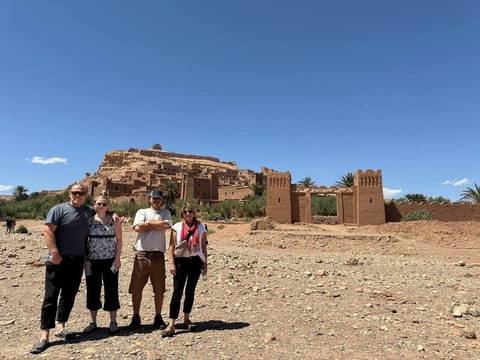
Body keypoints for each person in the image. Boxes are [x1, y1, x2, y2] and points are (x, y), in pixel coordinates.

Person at [30, 184, 94, 354]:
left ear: (86, 195)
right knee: (50, 296)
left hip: (77, 260)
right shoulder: (58, 209)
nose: (78, 195)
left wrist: (116, 216)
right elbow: (47, 230)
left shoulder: (88, 211)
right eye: (75, 193)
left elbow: (103, 213)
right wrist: (54, 252)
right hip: (58, 260)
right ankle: (44, 336)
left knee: (69, 294)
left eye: (81, 193)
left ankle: (61, 327)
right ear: (69, 193)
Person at [128, 189, 172, 331]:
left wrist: (148, 224)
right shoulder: (142, 211)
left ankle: (158, 316)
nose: (156, 201)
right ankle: (136, 316)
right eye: (154, 199)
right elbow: (138, 228)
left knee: (159, 290)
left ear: (161, 200)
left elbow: (166, 226)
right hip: (142, 255)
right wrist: (155, 224)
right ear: (150, 199)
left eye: (158, 199)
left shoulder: (166, 213)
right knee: (136, 289)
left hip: (158, 255)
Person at [162, 203, 208, 337]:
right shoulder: (176, 227)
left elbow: (203, 246)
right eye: (186, 211)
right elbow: (171, 247)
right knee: (177, 291)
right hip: (180, 262)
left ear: (194, 213)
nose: (188, 214)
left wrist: (205, 262)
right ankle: (171, 324)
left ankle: (186, 318)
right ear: (182, 213)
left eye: (190, 211)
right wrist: (171, 263)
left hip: (195, 262)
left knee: (190, 291)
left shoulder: (201, 227)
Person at [83, 195, 123, 334]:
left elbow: (119, 240)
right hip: (92, 261)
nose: (101, 206)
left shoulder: (114, 220)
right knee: (93, 290)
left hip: (110, 260)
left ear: (108, 206)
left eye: (104, 204)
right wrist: (86, 260)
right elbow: (84, 241)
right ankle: (93, 322)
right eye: (99, 204)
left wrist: (117, 259)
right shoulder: (88, 221)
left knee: (111, 290)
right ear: (94, 205)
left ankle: (113, 321)